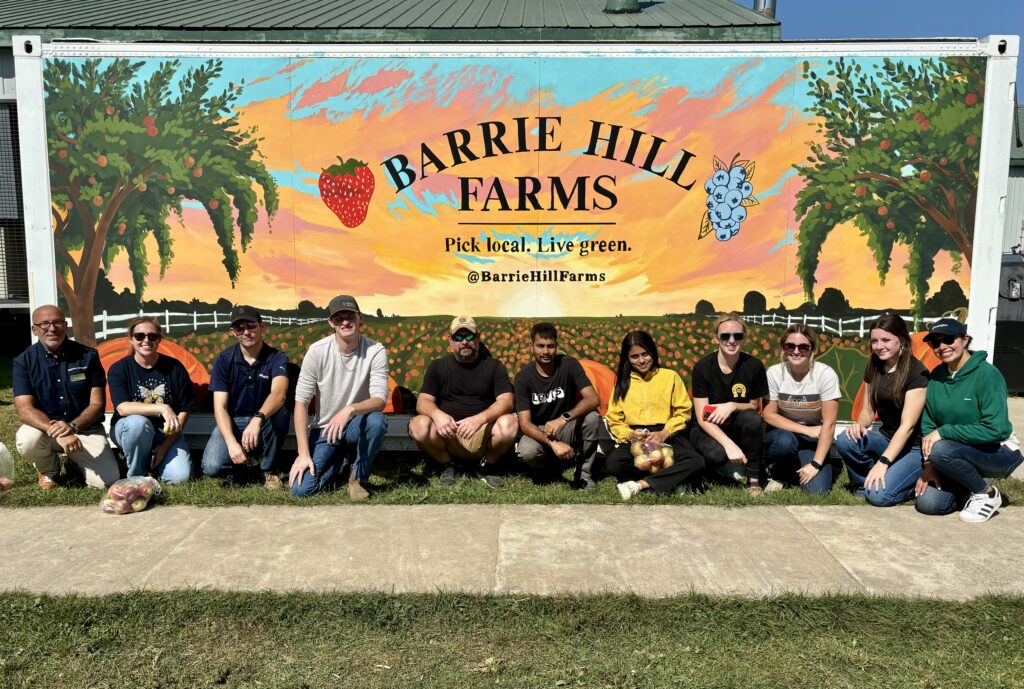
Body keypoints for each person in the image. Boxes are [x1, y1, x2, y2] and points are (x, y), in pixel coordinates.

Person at [915, 318, 1023, 522]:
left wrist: (945, 432)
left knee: (942, 449)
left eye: (948, 339)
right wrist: (930, 464)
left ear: (965, 340)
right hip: (954, 452)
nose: (942, 347)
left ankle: (987, 493)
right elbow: (929, 424)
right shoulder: (937, 376)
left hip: (997, 451)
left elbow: (995, 429)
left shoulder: (988, 375)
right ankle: (968, 484)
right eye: (935, 343)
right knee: (928, 504)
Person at [288, 295, 388, 500]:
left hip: (355, 425)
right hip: (324, 429)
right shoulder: (316, 352)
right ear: (331, 323)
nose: (345, 322)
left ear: (360, 318)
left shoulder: (375, 350)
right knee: (301, 491)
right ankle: (342, 464)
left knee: (377, 421)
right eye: (338, 318)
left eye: (350, 316)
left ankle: (358, 479)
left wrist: (349, 409)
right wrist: (303, 454)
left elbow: (379, 400)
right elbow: (301, 403)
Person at [13, 304, 119, 489]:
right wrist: (57, 430)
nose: (52, 328)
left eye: (57, 322)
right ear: (34, 329)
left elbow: (97, 404)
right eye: (44, 324)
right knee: (27, 439)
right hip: (45, 431)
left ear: (66, 325)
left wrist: (72, 427)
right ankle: (48, 470)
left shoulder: (88, 356)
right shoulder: (24, 362)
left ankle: (74, 461)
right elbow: (24, 410)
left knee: (106, 482)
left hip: (84, 429)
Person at [409, 316, 518, 488]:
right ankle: (449, 465)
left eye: (469, 336)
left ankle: (487, 466)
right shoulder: (437, 367)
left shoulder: (494, 366)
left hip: (483, 433)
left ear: (478, 337)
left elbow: (507, 401)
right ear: (450, 340)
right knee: (418, 425)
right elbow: (423, 401)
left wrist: (479, 419)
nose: (464, 342)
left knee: (510, 423)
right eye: (458, 337)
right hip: (448, 433)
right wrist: (437, 415)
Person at [837, 314, 928, 506]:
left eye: (886, 340)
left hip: (913, 448)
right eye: (875, 341)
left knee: (880, 497)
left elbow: (908, 427)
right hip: (887, 439)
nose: (879, 346)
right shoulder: (874, 365)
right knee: (846, 439)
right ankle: (863, 484)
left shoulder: (916, 371)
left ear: (901, 340)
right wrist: (859, 426)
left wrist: (883, 463)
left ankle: (908, 483)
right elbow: (867, 413)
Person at [604, 330, 704, 501]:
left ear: (653, 352)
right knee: (613, 463)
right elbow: (614, 418)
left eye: (645, 354)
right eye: (635, 356)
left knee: (696, 461)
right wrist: (629, 434)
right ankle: (673, 481)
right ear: (627, 358)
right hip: (636, 438)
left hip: (667, 434)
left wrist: (666, 432)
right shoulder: (622, 382)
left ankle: (639, 485)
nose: (641, 360)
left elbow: (683, 411)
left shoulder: (670, 377)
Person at [201, 305, 290, 491]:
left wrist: (257, 420)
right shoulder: (224, 359)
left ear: (261, 326)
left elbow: (279, 395)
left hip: (264, 420)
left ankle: (269, 470)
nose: (246, 332)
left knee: (280, 413)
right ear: (233, 332)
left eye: (251, 325)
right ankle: (239, 465)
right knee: (212, 467)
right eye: (239, 328)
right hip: (234, 421)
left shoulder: (277, 357)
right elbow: (220, 407)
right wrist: (231, 443)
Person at [514, 322, 602, 490]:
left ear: (556, 346)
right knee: (527, 451)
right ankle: (548, 468)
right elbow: (525, 424)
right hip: (538, 431)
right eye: (540, 346)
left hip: (565, 426)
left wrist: (563, 418)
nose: (546, 351)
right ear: (532, 346)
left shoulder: (569, 364)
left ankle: (584, 474)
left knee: (592, 418)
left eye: (550, 346)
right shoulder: (523, 378)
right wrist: (553, 443)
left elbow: (593, 399)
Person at [108, 317, 197, 484]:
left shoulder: (175, 368)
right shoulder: (119, 368)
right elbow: (123, 408)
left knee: (180, 478)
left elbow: (186, 409)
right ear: (131, 339)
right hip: (130, 430)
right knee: (137, 423)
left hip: (166, 434)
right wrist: (163, 408)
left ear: (159, 339)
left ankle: (155, 462)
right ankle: (136, 476)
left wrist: (164, 448)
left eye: (152, 336)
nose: (146, 340)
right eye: (140, 336)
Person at [689, 314, 768, 496]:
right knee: (716, 454)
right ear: (716, 338)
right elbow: (702, 418)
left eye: (737, 336)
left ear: (744, 339)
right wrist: (728, 444)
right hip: (707, 426)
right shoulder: (702, 368)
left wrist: (732, 405)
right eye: (725, 336)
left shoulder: (754, 366)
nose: (731, 341)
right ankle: (713, 472)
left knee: (752, 419)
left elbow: (754, 406)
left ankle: (753, 479)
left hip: (737, 424)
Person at [762, 324, 840, 494]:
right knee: (784, 442)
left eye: (803, 347)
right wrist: (806, 430)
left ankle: (805, 465)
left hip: (813, 439)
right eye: (790, 346)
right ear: (783, 348)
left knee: (817, 491)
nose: (796, 351)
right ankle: (778, 474)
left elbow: (830, 424)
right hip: (783, 433)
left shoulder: (825, 375)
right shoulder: (774, 373)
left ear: (812, 349)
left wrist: (815, 464)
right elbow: (769, 415)